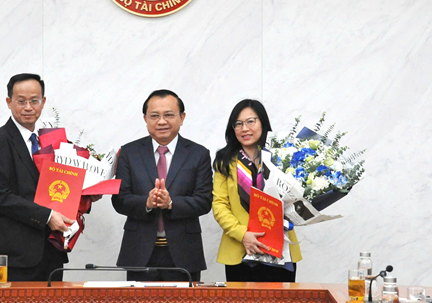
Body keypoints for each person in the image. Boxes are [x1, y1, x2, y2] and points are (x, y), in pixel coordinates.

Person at [112, 89, 213, 282]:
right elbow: (119, 199)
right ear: (145, 118)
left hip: (184, 252)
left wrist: (171, 203)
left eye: (168, 115)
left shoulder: (198, 154)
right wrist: (147, 203)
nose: (161, 121)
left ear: (182, 117)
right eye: (154, 116)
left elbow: (204, 201)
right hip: (139, 252)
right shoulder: (129, 152)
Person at [0, 73, 74, 281]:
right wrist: (48, 217)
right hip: (17, 257)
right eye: (21, 101)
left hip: (53, 252)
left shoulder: (52, 142)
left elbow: (64, 185)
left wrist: (85, 194)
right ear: (9, 102)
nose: (28, 107)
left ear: (43, 102)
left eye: (34, 101)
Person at [212, 99, 302, 282]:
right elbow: (220, 205)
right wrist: (243, 234)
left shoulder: (280, 158)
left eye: (250, 121)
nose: (244, 128)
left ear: (263, 123)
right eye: (238, 124)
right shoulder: (224, 161)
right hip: (239, 250)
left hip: (280, 250)